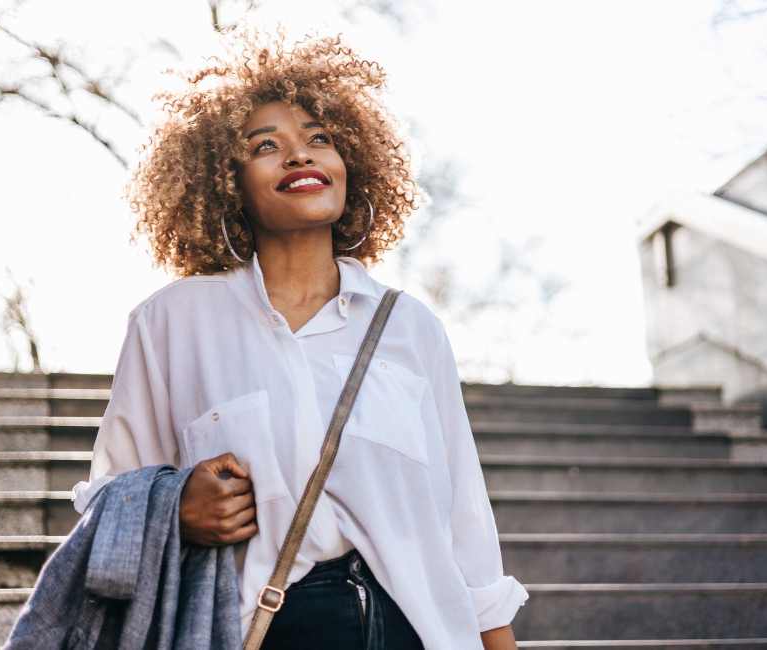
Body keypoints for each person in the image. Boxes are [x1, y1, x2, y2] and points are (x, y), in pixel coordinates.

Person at [71, 23, 529, 650]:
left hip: (417, 631)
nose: (300, 155)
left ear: (352, 165)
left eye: (320, 139)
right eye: (266, 145)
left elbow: (466, 523)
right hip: (253, 632)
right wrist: (176, 509)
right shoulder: (169, 322)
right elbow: (107, 500)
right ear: (224, 180)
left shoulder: (409, 326)